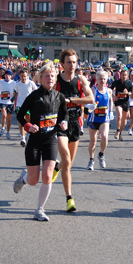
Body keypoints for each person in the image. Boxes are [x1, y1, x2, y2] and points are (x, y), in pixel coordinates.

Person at [12, 62, 69, 222]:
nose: (50, 78)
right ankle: (24, 178)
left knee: (48, 176)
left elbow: (64, 114)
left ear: (55, 78)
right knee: (33, 180)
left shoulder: (60, 97)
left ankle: (39, 210)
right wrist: (28, 126)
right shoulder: (34, 96)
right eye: (46, 76)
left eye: (52, 76)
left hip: (50, 140)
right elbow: (20, 115)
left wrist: (63, 122)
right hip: (35, 141)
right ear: (40, 78)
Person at [52, 49, 94, 213]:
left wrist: (71, 100)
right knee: (67, 160)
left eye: (74, 62)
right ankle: (69, 198)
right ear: (62, 64)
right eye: (69, 62)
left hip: (75, 122)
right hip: (60, 122)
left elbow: (91, 99)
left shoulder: (80, 79)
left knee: (68, 164)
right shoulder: (56, 80)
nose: (72, 65)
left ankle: (57, 168)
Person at [86, 70, 114, 170]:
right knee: (93, 141)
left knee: (104, 136)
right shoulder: (93, 90)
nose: (102, 80)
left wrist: (111, 112)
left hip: (104, 118)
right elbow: (86, 103)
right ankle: (91, 160)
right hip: (93, 118)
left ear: (107, 80)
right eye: (100, 79)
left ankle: (101, 154)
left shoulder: (109, 91)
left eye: (104, 79)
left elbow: (111, 102)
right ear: (97, 79)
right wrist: (90, 106)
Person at [14, 69, 38, 146]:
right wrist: (14, 104)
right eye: (22, 76)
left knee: (28, 122)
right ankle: (23, 138)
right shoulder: (17, 84)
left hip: (29, 105)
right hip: (20, 105)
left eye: (25, 76)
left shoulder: (31, 83)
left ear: (27, 76)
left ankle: (28, 135)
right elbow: (15, 94)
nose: (23, 78)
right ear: (19, 76)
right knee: (21, 122)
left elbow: (36, 91)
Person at [110, 68, 132, 141]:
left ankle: (120, 132)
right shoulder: (116, 82)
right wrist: (114, 97)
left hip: (125, 102)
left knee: (124, 121)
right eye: (122, 75)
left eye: (125, 75)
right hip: (118, 102)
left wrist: (127, 93)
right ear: (120, 75)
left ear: (127, 76)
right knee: (119, 116)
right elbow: (109, 90)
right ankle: (117, 130)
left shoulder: (129, 83)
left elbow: (132, 93)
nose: (124, 76)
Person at [0, 69, 17, 139]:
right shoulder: (1, 82)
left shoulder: (14, 83)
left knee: (9, 119)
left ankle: (8, 132)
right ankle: (2, 128)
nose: (7, 76)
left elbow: (16, 92)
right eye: (6, 75)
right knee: (4, 115)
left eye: (9, 75)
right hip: (2, 101)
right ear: (4, 76)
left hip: (10, 102)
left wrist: (14, 98)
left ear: (11, 76)